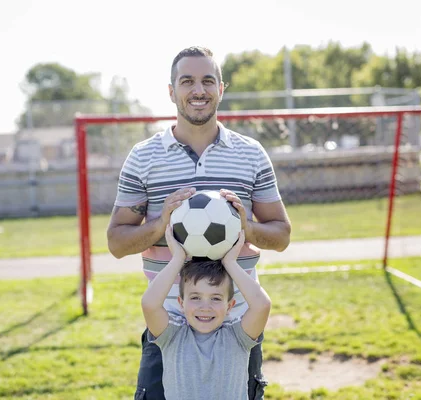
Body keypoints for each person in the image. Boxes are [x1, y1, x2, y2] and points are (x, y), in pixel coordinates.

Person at [107, 46, 291, 400]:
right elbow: (117, 243)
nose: (198, 90)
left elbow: (281, 235)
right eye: (187, 81)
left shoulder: (250, 154)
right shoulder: (144, 157)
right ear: (171, 91)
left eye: (208, 81)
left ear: (221, 89)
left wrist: (246, 229)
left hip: (238, 322)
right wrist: (162, 224)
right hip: (169, 323)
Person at [141, 225, 271, 400]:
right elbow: (149, 304)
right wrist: (177, 258)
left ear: (230, 306)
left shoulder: (238, 337)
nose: (205, 306)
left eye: (216, 298)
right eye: (195, 297)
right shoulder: (172, 336)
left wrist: (230, 263)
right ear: (181, 303)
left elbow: (261, 306)